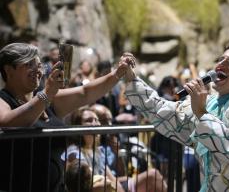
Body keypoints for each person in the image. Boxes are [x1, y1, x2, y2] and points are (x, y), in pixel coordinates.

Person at [123, 42, 229, 191]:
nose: (221, 65)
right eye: (220, 60)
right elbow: (163, 112)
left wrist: (201, 114)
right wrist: (131, 79)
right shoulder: (208, 103)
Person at [0, 43, 135, 192]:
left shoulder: (49, 98)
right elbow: (8, 123)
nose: (37, 70)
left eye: (39, 65)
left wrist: (117, 73)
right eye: (29, 64)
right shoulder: (5, 100)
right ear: (8, 70)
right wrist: (46, 94)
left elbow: (85, 93)